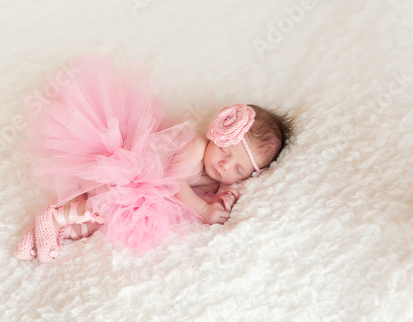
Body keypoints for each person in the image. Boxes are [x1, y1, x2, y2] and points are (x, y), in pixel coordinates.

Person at [15, 57, 289, 262]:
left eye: (237, 168)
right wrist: (204, 210)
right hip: (132, 172)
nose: (224, 165)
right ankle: (55, 216)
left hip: (142, 192)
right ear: (217, 135)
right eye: (226, 152)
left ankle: (53, 233)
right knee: (106, 208)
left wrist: (219, 199)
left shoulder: (216, 176)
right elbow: (174, 185)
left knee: (104, 222)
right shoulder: (195, 147)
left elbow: (201, 192)